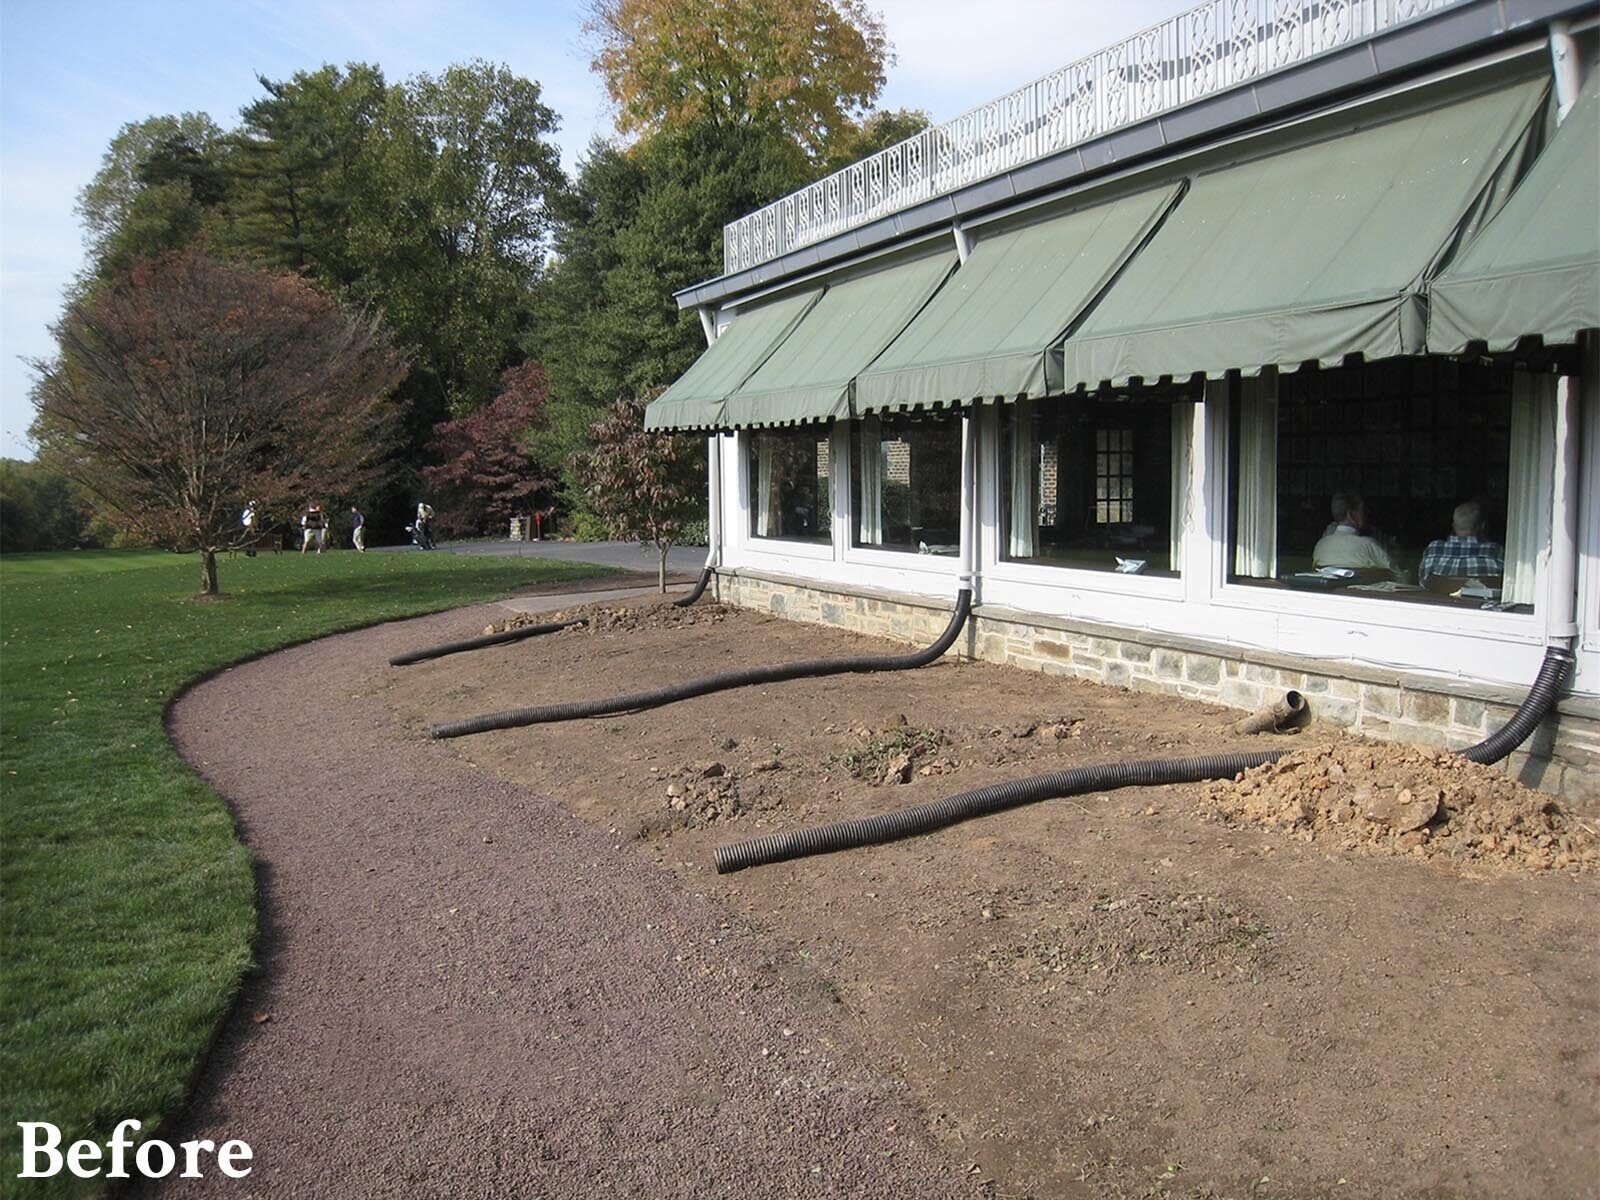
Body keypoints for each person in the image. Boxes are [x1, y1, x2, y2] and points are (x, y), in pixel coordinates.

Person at [1419, 500, 1504, 588]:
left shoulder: (1434, 549)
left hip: (1438, 601)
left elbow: (1423, 583)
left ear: (1454, 526)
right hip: (1479, 602)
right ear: (1483, 526)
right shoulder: (1496, 552)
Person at [1312, 490, 1396, 578]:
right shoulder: (1369, 545)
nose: (1366, 514)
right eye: (1362, 510)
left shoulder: (1320, 546)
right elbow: (1396, 576)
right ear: (1351, 515)